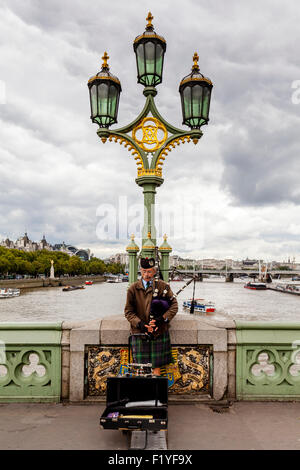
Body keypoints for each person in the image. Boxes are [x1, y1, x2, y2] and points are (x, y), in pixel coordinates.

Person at [124, 257, 178, 376]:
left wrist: (162, 319)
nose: (146, 274)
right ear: (140, 271)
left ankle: (156, 394)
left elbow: (174, 306)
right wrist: (141, 324)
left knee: (156, 367)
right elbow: (128, 311)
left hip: (158, 331)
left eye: (149, 271)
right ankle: (142, 394)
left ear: (154, 271)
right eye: (144, 271)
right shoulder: (133, 289)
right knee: (140, 368)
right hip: (139, 332)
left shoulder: (163, 286)